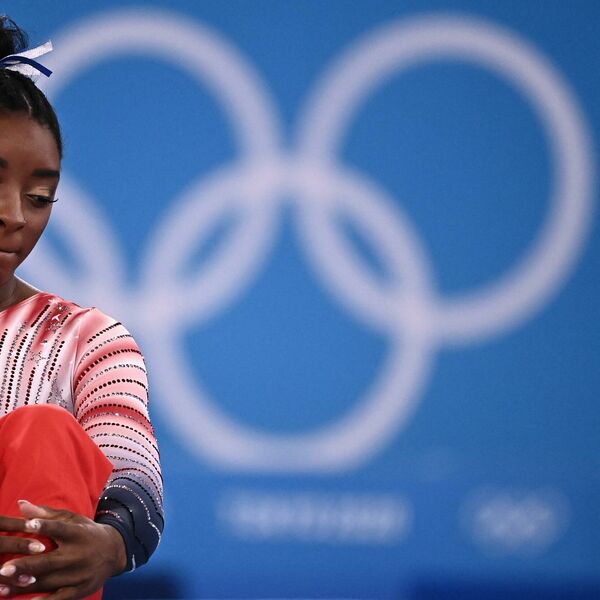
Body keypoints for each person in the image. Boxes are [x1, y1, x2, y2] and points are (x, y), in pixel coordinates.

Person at [0, 16, 164, 600]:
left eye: (39, 196)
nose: (14, 215)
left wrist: (112, 542)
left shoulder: (88, 340)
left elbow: (134, 478)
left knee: (43, 431)